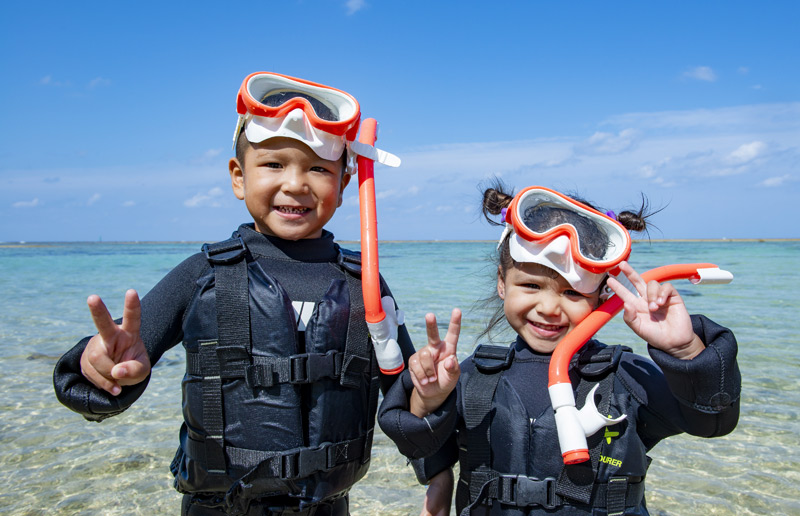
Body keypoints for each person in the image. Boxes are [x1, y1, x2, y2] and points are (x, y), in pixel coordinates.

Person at [53, 71, 443, 516]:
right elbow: (116, 366)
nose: (296, 183)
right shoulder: (203, 275)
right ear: (238, 177)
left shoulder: (365, 284)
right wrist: (98, 369)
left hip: (328, 507)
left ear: (344, 183)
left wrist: (434, 442)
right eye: (274, 164)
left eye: (318, 168)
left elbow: (405, 395)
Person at [378, 183, 741, 515]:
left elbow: (712, 421)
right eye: (531, 286)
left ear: (603, 296)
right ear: (503, 283)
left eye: (572, 293)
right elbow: (421, 447)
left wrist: (683, 350)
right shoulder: (474, 376)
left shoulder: (625, 379)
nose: (550, 308)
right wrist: (426, 399)